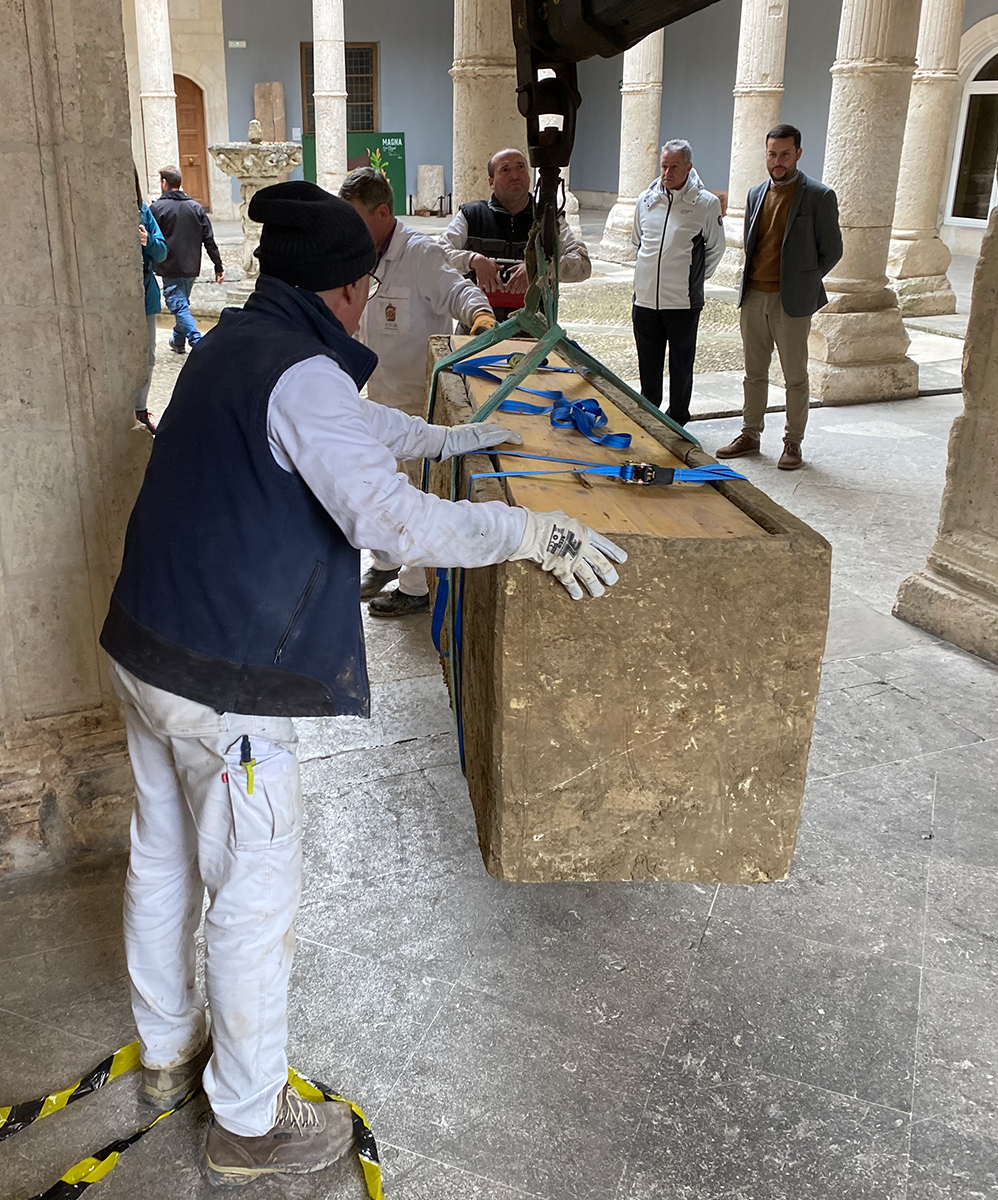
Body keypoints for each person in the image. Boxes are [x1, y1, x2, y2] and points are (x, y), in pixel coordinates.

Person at [98, 181, 626, 1188]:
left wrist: (451, 441)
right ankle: (246, 1124)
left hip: (145, 645)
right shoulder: (299, 373)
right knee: (252, 894)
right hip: (223, 682)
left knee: (162, 857)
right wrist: (534, 531)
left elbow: (346, 428)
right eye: (363, 290)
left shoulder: (234, 345)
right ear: (344, 292)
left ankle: (168, 1058)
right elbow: (396, 527)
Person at [339, 166, 497, 618]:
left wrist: (481, 317)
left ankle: (416, 587)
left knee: (415, 493)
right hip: (379, 395)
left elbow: (459, 292)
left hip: (418, 402)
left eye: (355, 217)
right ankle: (387, 562)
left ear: (384, 212)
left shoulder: (421, 254)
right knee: (377, 484)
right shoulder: (362, 253)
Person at [716, 123, 842, 470]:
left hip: (792, 302)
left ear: (798, 153)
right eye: (772, 154)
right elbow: (751, 242)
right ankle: (750, 433)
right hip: (754, 295)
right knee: (753, 373)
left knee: (795, 376)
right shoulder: (757, 193)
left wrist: (803, 280)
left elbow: (832, 250)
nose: (778, 161)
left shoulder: (818, 196)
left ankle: (792, 442)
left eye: (785, 154)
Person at [630, 139, 726, 426]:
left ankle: (679, 418)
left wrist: (693, 279)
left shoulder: (705, 204)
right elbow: (638, 241)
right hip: (645, 300)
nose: (667, 172)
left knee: (681, 365)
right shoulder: (645, 201)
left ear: (688, 167)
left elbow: (715, 249)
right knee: (648, 363)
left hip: (682, 302)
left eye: (674, 166)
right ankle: (649, 413)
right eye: (663, 166)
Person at [437, 147, 591, 320]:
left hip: (535, 331)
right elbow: (437, 256)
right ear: (491, 182)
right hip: (476, 326)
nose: (515, 175)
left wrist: (540, 269)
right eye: (505, 170)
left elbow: (583, 264)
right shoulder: (471, 215)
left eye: (520, 167)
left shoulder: (548, 219)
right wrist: (473, 260)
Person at [150, 165, 224, 354]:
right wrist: (218, 265)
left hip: (169, 266)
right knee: (180, 304)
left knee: (179, 306)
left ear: (164, 183)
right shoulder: (196, 207)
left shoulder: (157, 208)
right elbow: (209, 239)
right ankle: (177, 340)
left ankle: (199, 344)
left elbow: (150, 240)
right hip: (191, 266)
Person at [134, 171, 168, 433]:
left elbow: (162, 251)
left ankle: (140, 408)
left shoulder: (144, 211)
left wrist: (147, 241)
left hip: (144, 294)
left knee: (148, 355)